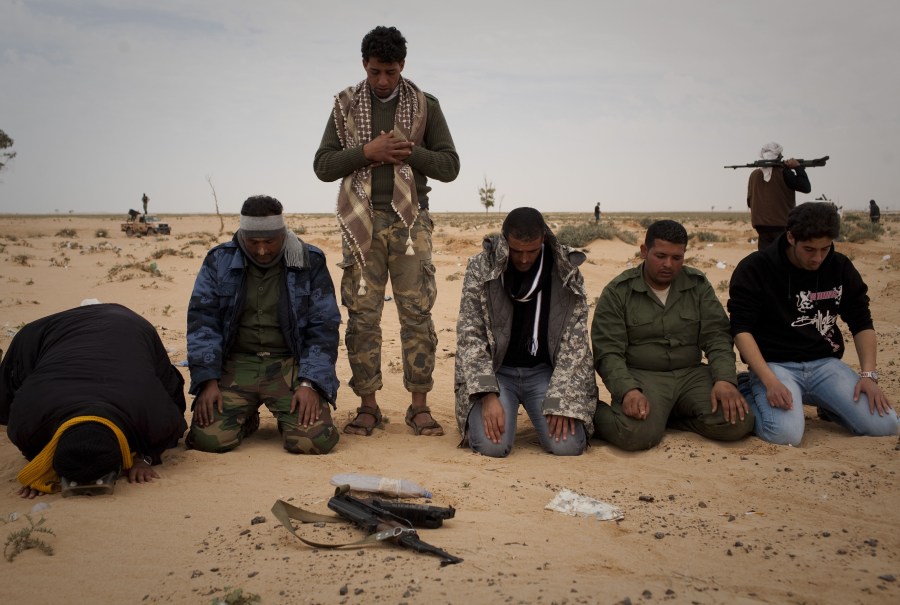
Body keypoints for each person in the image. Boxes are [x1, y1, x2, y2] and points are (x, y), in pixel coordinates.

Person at [313, 25, 460, 437]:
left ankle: (419, 406)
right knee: (362, 317)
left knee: (417, 315)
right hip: (362, 224)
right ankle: (368, 406)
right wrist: (366, 153)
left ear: (403, 67)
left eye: (390, 72)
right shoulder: (345, 104)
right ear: (364, 65)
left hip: (411, 224)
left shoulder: (425, 105)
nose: (382, 81)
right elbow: (322, 166)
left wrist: (409, 151)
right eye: (375, 71)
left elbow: (450, 167)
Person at [728, 202, 898, 446]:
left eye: (825, 248)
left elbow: (862, 321)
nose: (817, 258)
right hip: (775, 366)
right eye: (809, 249)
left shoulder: (839, 266)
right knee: (784, 435)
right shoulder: (756, 267)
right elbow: (741, 329)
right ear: (790, 237)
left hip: (824, 365)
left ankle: (828, 404)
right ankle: (748, 386)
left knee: (886, 426)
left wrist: (869, 376)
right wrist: (769, 381)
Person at [186, 195, 341, 454]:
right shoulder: (219, 260)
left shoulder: (309, 260)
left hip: (288, 365)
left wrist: (310, 383)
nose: (261, 250)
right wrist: (207, 381)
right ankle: (246, 419)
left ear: (282, 234)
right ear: (242, 235)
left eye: (269, 241)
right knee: (207, 441)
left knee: (313, 442)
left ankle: (287, 418)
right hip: (236, 364)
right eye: (253, 242)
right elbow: (202, 322)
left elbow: (323, 326)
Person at [592, 220, 754, 451]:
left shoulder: (697, 285)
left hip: (691, 375)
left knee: (738, 422)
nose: (668, 264)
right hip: (644, 377)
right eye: (660, 256)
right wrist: (628, 390)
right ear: (644, 251)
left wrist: (724, 381)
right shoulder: (618, 292)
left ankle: (667, 418)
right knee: (634, 436)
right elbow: (608, 352)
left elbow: (717, 336)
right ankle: (590, 411)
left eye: (677, 258)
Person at [0, 303, 187, 498]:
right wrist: (39, 468)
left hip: (128, 326)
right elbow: (27, 443)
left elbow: (174, 424)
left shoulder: (151, 410)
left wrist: (145, 459)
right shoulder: (26, 421)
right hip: (45, 332)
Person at [454, 207, 596, 457]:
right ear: (505, 239)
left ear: (544, 238)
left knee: (568, 446)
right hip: (498, 373)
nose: (523, 259)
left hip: (544, 372)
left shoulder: (566, 270)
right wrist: (487, 394)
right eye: (516, 250)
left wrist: (562, 399)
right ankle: (497, 408)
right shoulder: (481, 266)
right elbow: (470, 334)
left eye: (531, 251)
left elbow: (576, 343)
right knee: (492, 447)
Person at [747, 141, 811, 250]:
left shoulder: (754, 174)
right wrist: (798, 168)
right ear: (778, 157)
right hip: (782, 226)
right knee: (782, 260)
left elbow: (749, 201)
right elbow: (806, 187)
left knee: (765, 260)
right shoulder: (784, 173)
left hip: (761, 227)